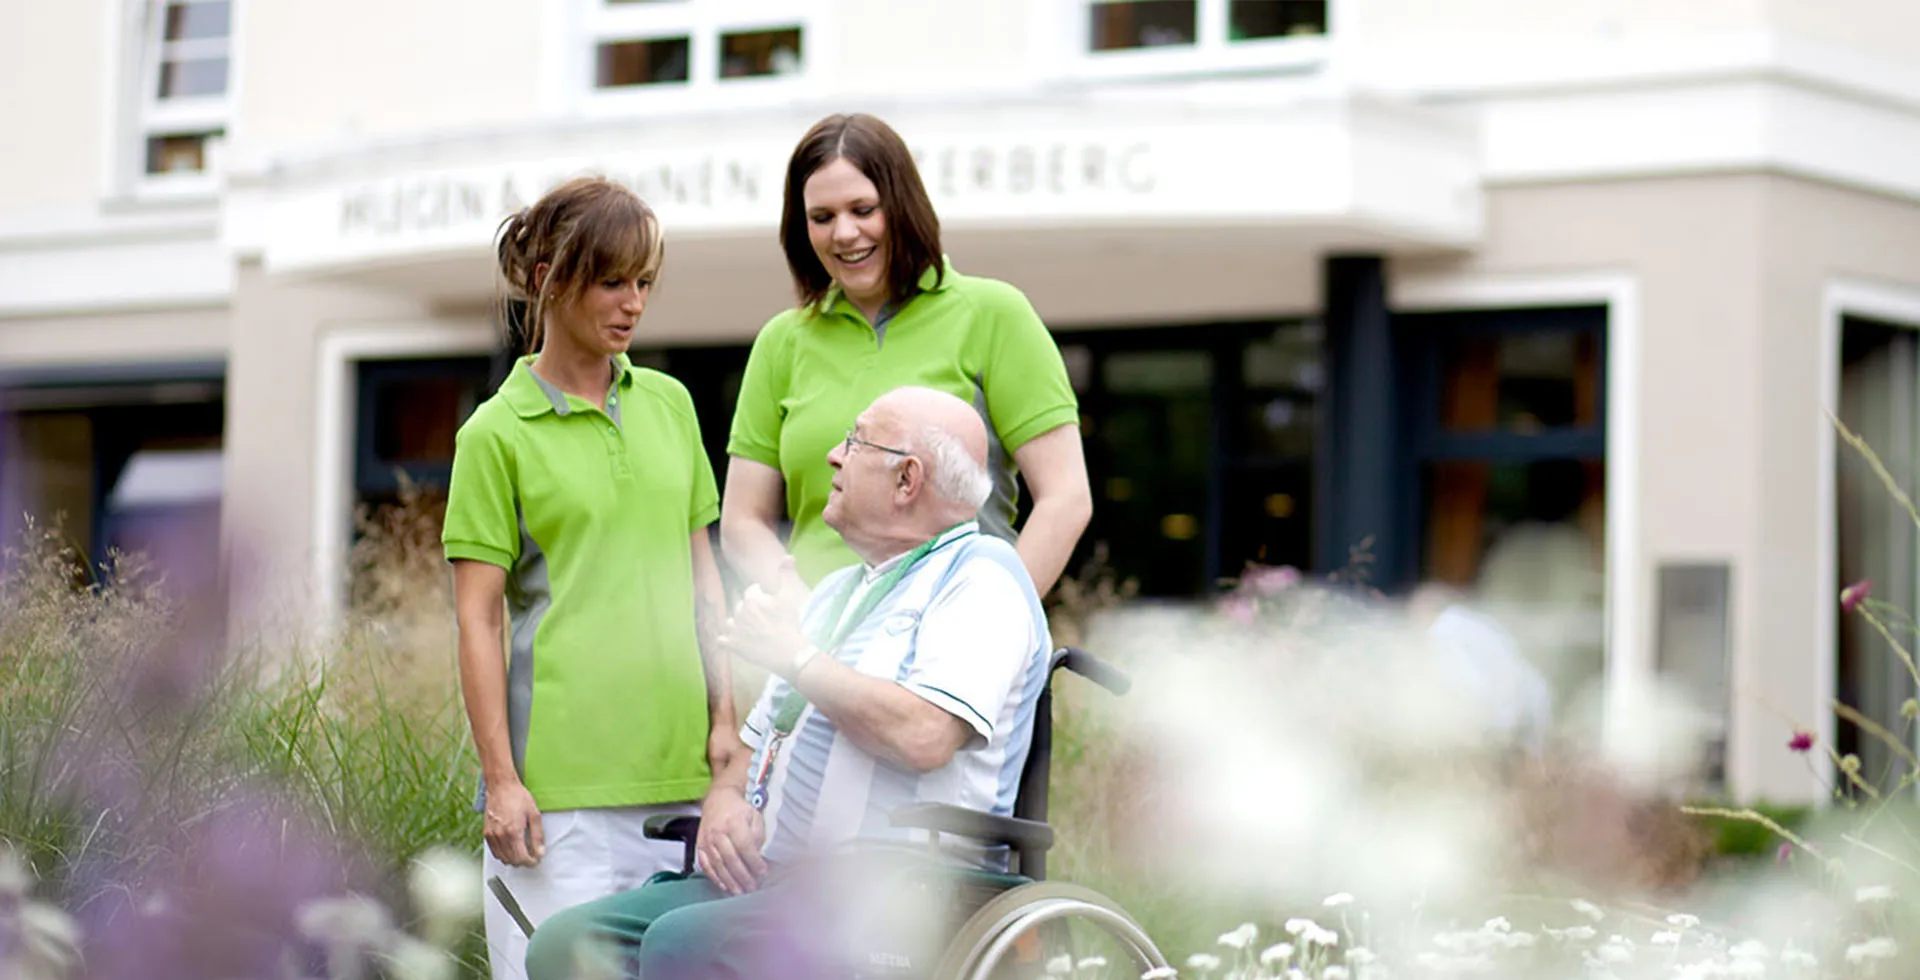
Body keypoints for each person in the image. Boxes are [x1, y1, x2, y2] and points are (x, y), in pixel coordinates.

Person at [526, 386, 1054, 980]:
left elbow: (925, 735)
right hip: (772, 879)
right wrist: (724, 805)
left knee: (683, 942)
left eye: (855, 441)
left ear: (907, 480)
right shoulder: (836, 592)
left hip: (899, 891)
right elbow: (749, 755)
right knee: (567, 943)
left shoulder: (982, 578)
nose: (833, 454)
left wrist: (798, 658)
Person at [442, 176, 740, 980]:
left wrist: (727, 732)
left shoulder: (671, 406)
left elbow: (704, 584)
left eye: (644, 282)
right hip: (557, 798)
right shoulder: (494, 435)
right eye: (613, 281)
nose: (633, 302)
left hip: (681, 785)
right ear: (547, 279)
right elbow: (477, 620)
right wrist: (501, 781)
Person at [721, 112, 1092, 598]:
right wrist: (805, 617)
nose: (845, 233)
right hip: (819, 650)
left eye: (863, 209)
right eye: (822, 218)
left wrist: (995, 620)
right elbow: (743, 521)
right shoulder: (780, 342)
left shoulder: (993, 314)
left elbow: (1066, 499)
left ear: (901, 205)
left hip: (953, 651)